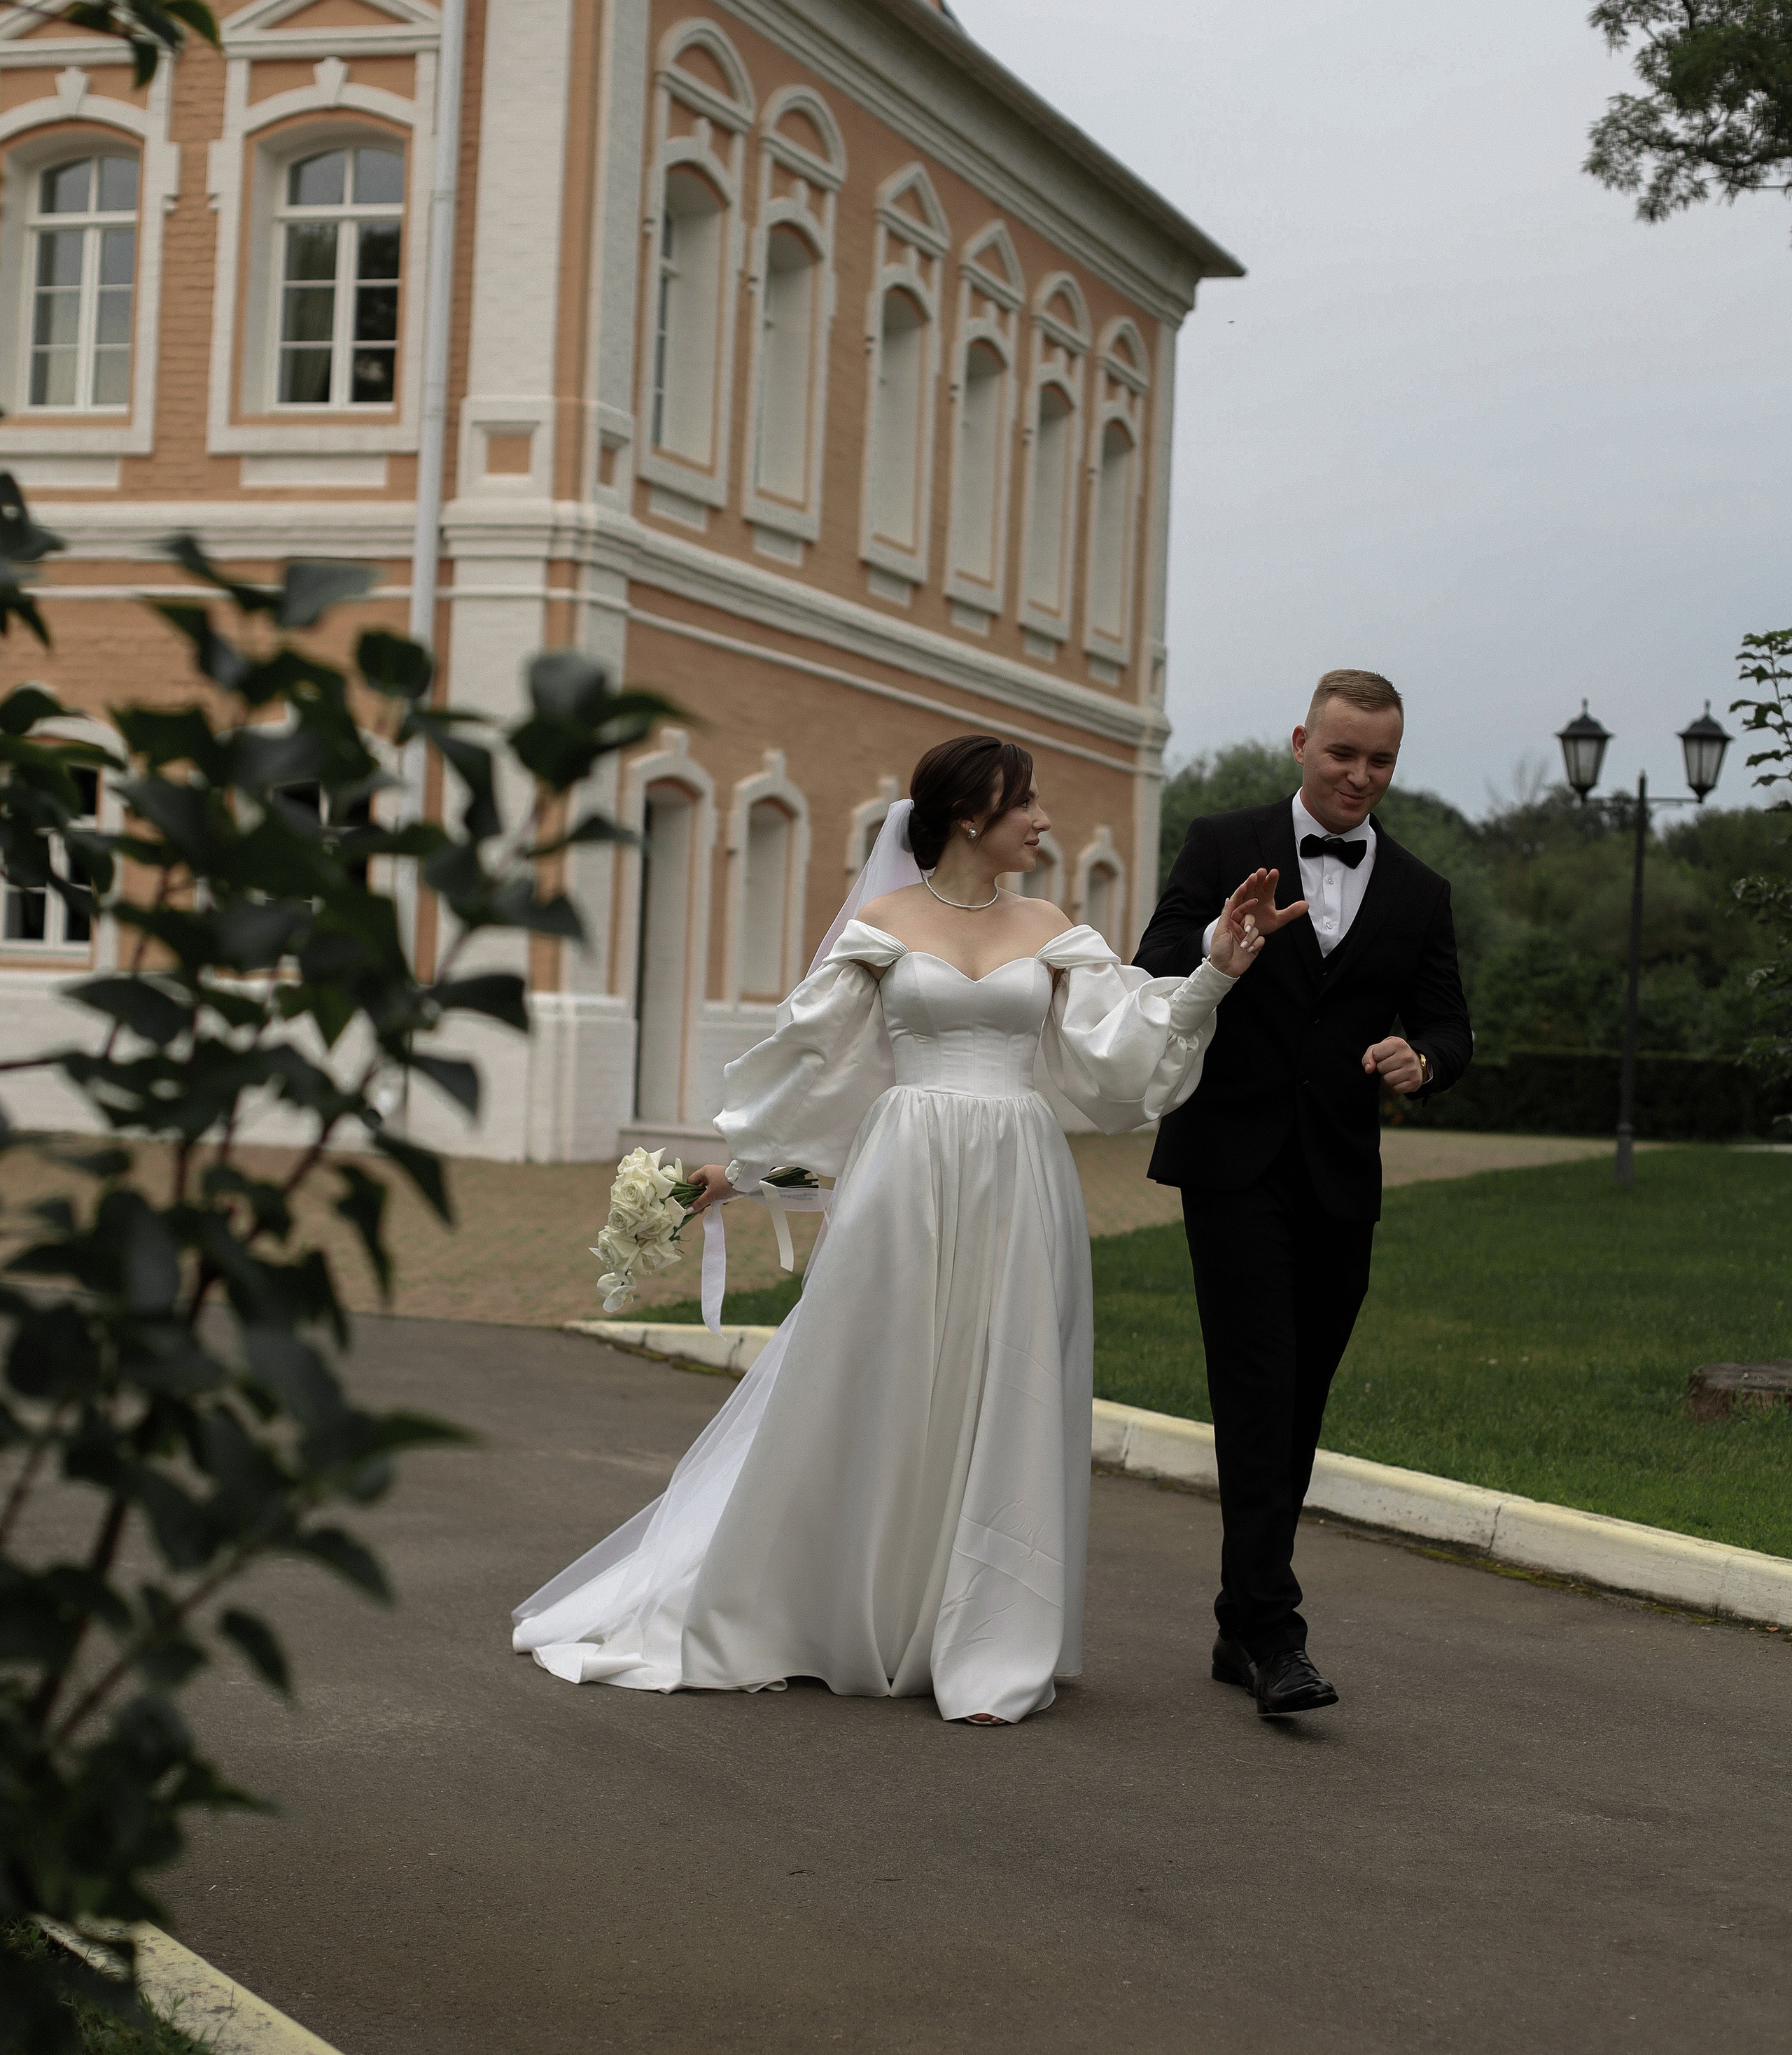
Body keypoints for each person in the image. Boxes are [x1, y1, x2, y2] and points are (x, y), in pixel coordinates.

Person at [512, 733, 1282, 1726]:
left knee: (1006, 1389)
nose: (1042, 820)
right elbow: (815, 1080)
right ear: (968, 815)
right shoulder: (880, 928)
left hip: (1019, 1181)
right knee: (880, 1384)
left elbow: (1121, 1057)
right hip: (901, 1179)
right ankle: (845, 1609)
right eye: (1024, 803)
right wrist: (735, 1175)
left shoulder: (1051, 928)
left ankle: (987, 1640)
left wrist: (1216, 969)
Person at [1135, 669, 1473, 1720]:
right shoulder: (1221, 842)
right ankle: (1277, 1636)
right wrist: (1221, 946)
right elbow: (1152, 967)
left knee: (1299, 1405)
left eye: (1381, 760)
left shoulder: (1419, 890)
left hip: (1338, 1177)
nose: (1360, 776)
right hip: (1231, 1164)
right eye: (1342, 754)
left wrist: (1426, 1059)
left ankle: (1240, 1623)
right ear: (1300, 742)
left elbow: (1450, 1024)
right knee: (1258, 1390)